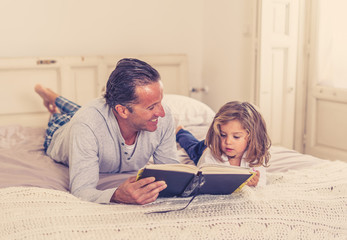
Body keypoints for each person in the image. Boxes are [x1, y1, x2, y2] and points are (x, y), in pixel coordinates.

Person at [35, 58, 179, 204]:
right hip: (60, 131)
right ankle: (49, 96)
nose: (161, 113)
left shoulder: (162, 116)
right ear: (122, 110)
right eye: (151, 107)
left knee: (81, 111)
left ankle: (52, 96)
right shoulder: (85, 125)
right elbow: (82, 191)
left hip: (96, 117)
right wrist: (116, 195)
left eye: (160, 102)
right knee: (66, 117)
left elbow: (173, 172)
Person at [176, 101, 271, 187]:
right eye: (223, 135)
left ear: (252, 137)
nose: (228, 142)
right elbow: (202, 184)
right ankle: (180, 131)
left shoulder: (256, 156)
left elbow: (262, 182)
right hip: (205, 149)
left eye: (236, 137)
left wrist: (254, 185)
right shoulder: (209, 156)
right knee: (192, 146)